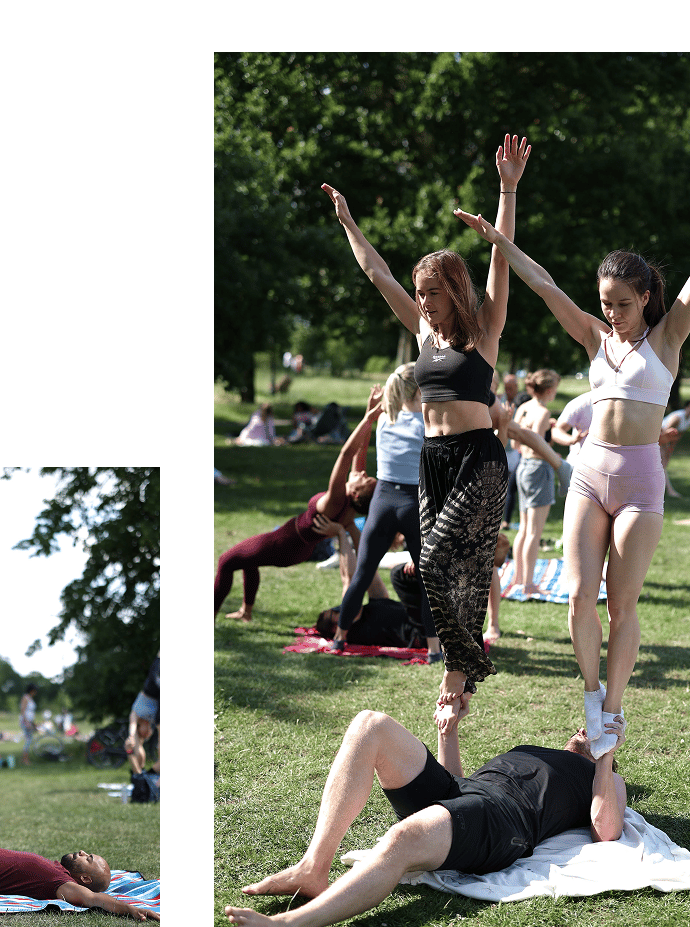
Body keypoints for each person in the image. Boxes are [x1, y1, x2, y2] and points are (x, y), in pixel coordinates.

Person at [453, 169, 690, 756]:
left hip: (639, 480)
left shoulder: (667, 339)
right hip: (589, 472)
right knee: (580, 595)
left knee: (621, 601)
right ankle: (592, 704)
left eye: (621, 303)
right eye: (605, 302)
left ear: (644, 297)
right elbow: (542, 284)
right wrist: (497, 240)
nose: (611, 312)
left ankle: (613, 712)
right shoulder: (592, 337)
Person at [323, 133, 531, 707]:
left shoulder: (485, 327)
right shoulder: (423, 330)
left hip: (477, 460)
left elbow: (501, 258)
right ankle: (461, 674)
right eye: (420, 293)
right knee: (432, 570)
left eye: (432, 292)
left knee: (438, 558)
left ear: (455, 288)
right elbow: (377, 274)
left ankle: (461, 664)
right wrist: (348, 223)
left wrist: (507, 189)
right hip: (431, 462)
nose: (424, 301)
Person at [223, 698, 624, 927]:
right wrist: (447, 732)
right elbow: (459, 787)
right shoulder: (537, 751)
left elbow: (605, 830)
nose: (585, 730)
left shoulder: (603, 778)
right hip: (464, 794)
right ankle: (314, 866)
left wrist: (603, 761)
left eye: (596, 732)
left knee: (402, 839)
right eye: (585, 726)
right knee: (370, 724)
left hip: (504, 822)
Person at [0, 687, 158, 919]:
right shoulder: (56, 871)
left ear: (84, 878)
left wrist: (127, 908)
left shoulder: (62, 885)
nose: (82, 851)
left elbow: (93, 899)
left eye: (88, 858)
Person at [215, 392, 384, 620]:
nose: (362, 473)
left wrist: (368, 420)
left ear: (355, 492)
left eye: (364, 478)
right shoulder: (350, 507)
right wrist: (369, 414)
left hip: (284, 543)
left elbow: (346, 454)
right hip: (296, 547)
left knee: (226, 560)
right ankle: (246, 611)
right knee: (248, 558)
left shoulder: (336, 500)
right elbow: (359, 452)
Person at [333, 364, 440, 659]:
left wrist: (372, 407)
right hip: (412, 502)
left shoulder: (384, 420)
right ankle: (433, 649)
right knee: (427, 578)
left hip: (382, 501)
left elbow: (362, 444)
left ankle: (339, 638)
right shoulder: (427, 423)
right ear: (420, 390)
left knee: (363, 574)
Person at [512, 369, 562, 600]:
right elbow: (540, 446)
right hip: (538, 469)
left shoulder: (523, 408)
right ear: (550, 390)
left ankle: (518, 577)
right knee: (534, 531)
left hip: (522, 467)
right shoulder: (542, 412)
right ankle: (529, 583)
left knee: (524, 528)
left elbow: (516, 443)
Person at [125, 655, 160, 774]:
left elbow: (132, 726)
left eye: (145, 734)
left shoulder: (136, 713)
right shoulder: (153, 720)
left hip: (150, 691)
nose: (149, 734)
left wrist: (131, 737)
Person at [658, 399, 690, 498]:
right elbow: (666, 432)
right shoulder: (678, 417)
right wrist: (666, 447)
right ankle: (668, 491)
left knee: (663, 465)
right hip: (660, 436)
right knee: (662, 464)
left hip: (667, 439)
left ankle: (666, 490)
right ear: (686, 407)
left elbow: (678, 435)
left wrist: (670, 449)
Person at [18, 684, 38, 760]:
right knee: (28, 739)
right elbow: (23, 710)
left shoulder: (30, 698)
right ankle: (25, 758)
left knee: (30, 739)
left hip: (29, 721)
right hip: (25, 721)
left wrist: (33, 723)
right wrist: (26, 722)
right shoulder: (25, 697)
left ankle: (25, 757)